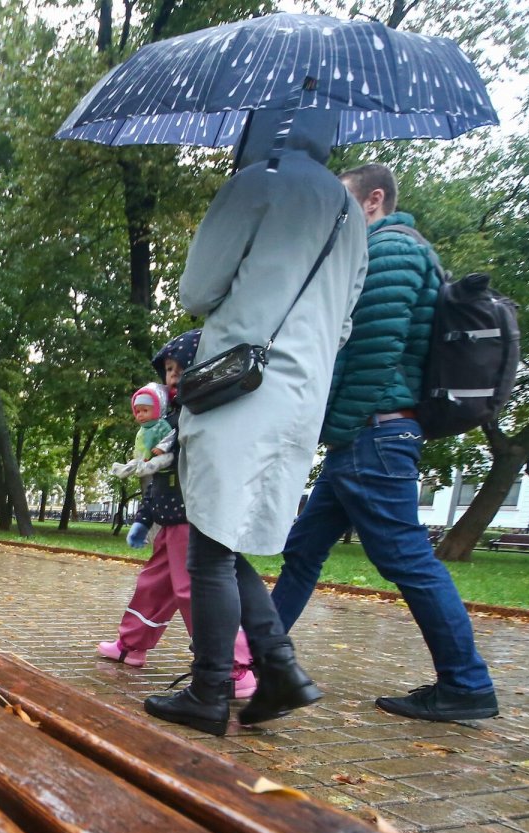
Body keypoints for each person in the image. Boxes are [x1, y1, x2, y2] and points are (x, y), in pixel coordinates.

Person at [143, 108, 367, 736]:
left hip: (240, 386)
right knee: (225, 538)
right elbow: (344, 322)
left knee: (209, 551)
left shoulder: (259, 181)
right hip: (303, 395)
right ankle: (280, 667)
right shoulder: (351, 215)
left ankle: (211, 691)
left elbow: (197, 291)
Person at [270, 164, 499, 722]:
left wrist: (335, 427)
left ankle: (467, 684)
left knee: (408, 560)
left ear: (373, 201)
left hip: (372, 431)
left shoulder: (391, 251)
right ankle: (255, 656)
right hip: (366, 433)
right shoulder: (383, 252)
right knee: (303, 552)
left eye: (341, 204)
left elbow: (370, 355)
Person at [99, 333, 255, 697]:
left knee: (193, 591)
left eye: (179, 367)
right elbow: (157, 478)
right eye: (168, 370)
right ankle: (131, 645)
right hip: (168, 519)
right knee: (153, 586)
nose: (172, 375)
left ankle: (236, 665)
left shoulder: (200, 413)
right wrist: (143, 516)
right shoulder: (170, 418)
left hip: (192, 517)